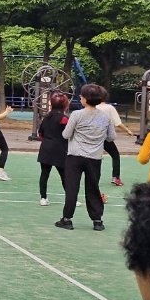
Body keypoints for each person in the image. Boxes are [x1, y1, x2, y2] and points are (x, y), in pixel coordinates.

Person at [57, 83, 115, 232]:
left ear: (85, 99)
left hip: (75, 155)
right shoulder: (105, 117)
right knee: (93, 187)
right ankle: (97, 220)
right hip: (94, 157)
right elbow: (111, 137)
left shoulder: (77, 114)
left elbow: (66, 134)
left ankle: (67, 219)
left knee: (72, 187)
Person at [37, 91, 70, 207]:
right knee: (64, 175)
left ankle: (43, 198)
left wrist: (47, 141)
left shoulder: (47, 117)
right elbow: (69, 134)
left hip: (45, 148)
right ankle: (71, 199)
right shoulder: (64, 118)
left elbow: (40, 133)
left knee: (44, 174)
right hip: (59, 149)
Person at [94, 95, 133, 187]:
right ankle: (116, 177)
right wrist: (127, 130)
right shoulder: (109, 108)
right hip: (105, 137)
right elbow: (117, 123)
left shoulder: (93, 107)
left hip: (93, 137)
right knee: (115, 156)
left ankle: (94, 178)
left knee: (95, 157)